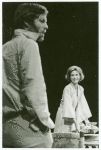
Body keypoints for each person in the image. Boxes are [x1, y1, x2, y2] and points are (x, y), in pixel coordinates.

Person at [3, 3, 55, 148]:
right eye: (42, 21)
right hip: (28, 130)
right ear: (27, 22)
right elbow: (34, 88)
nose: (47, 26)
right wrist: (45, 123)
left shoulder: (5, 47)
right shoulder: (28, 44)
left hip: (6, 129)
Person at [54, 66, 92, 133]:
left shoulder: (81, 88)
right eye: (72, 75)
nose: (75, 77)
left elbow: (82, 105)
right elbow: (67, 106)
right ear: (69, 77)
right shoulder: (67, 88)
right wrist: (75, 122)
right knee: (64, 136)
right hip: (64, 115)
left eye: (77, 75)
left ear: (80, 75)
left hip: (72, 115)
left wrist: (86, 121)